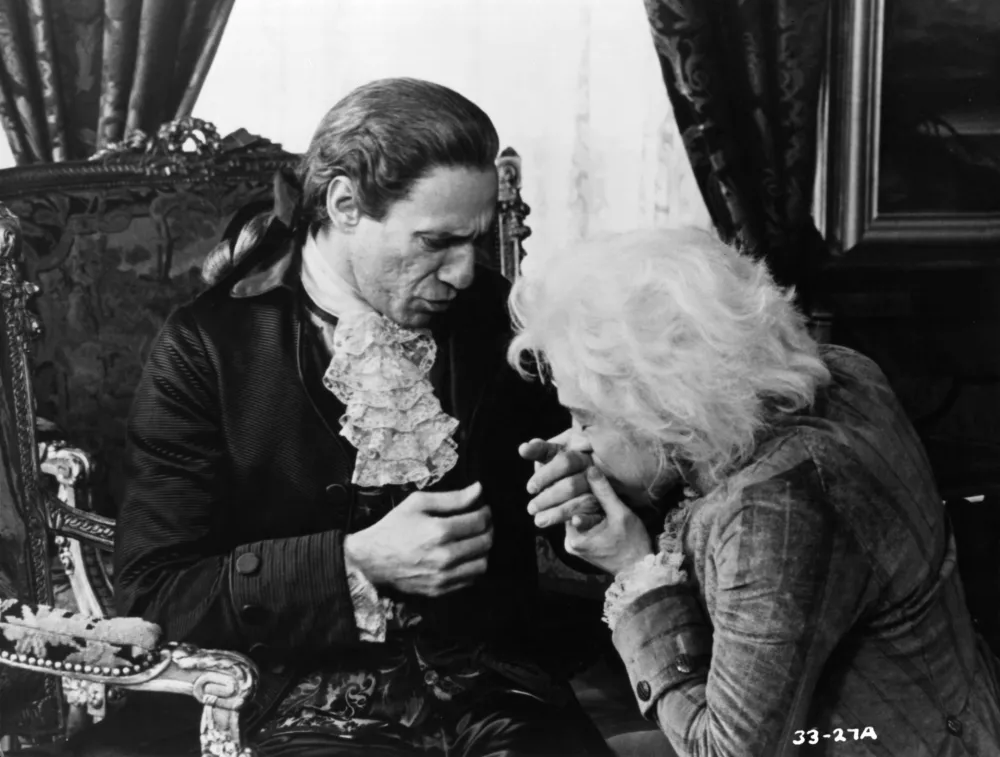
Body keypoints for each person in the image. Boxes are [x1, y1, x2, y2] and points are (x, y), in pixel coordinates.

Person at [48, 78, 612, 757]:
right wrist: (354, 560)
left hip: (496, 689)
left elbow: (572, 466)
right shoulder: (208, 347)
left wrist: (583, 485)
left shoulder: (496, 314)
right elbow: (156, 592)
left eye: (477, 241)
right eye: (437, 242)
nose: (465, 272)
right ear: (345, 204)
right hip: (294, 698)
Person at [507, 227, 1000, 756]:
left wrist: (634, 573)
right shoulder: (842, 372)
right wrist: (634, 479)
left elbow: (725, 752)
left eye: (584, 419)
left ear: (661, 410)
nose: (576, 441)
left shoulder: (772, 512)